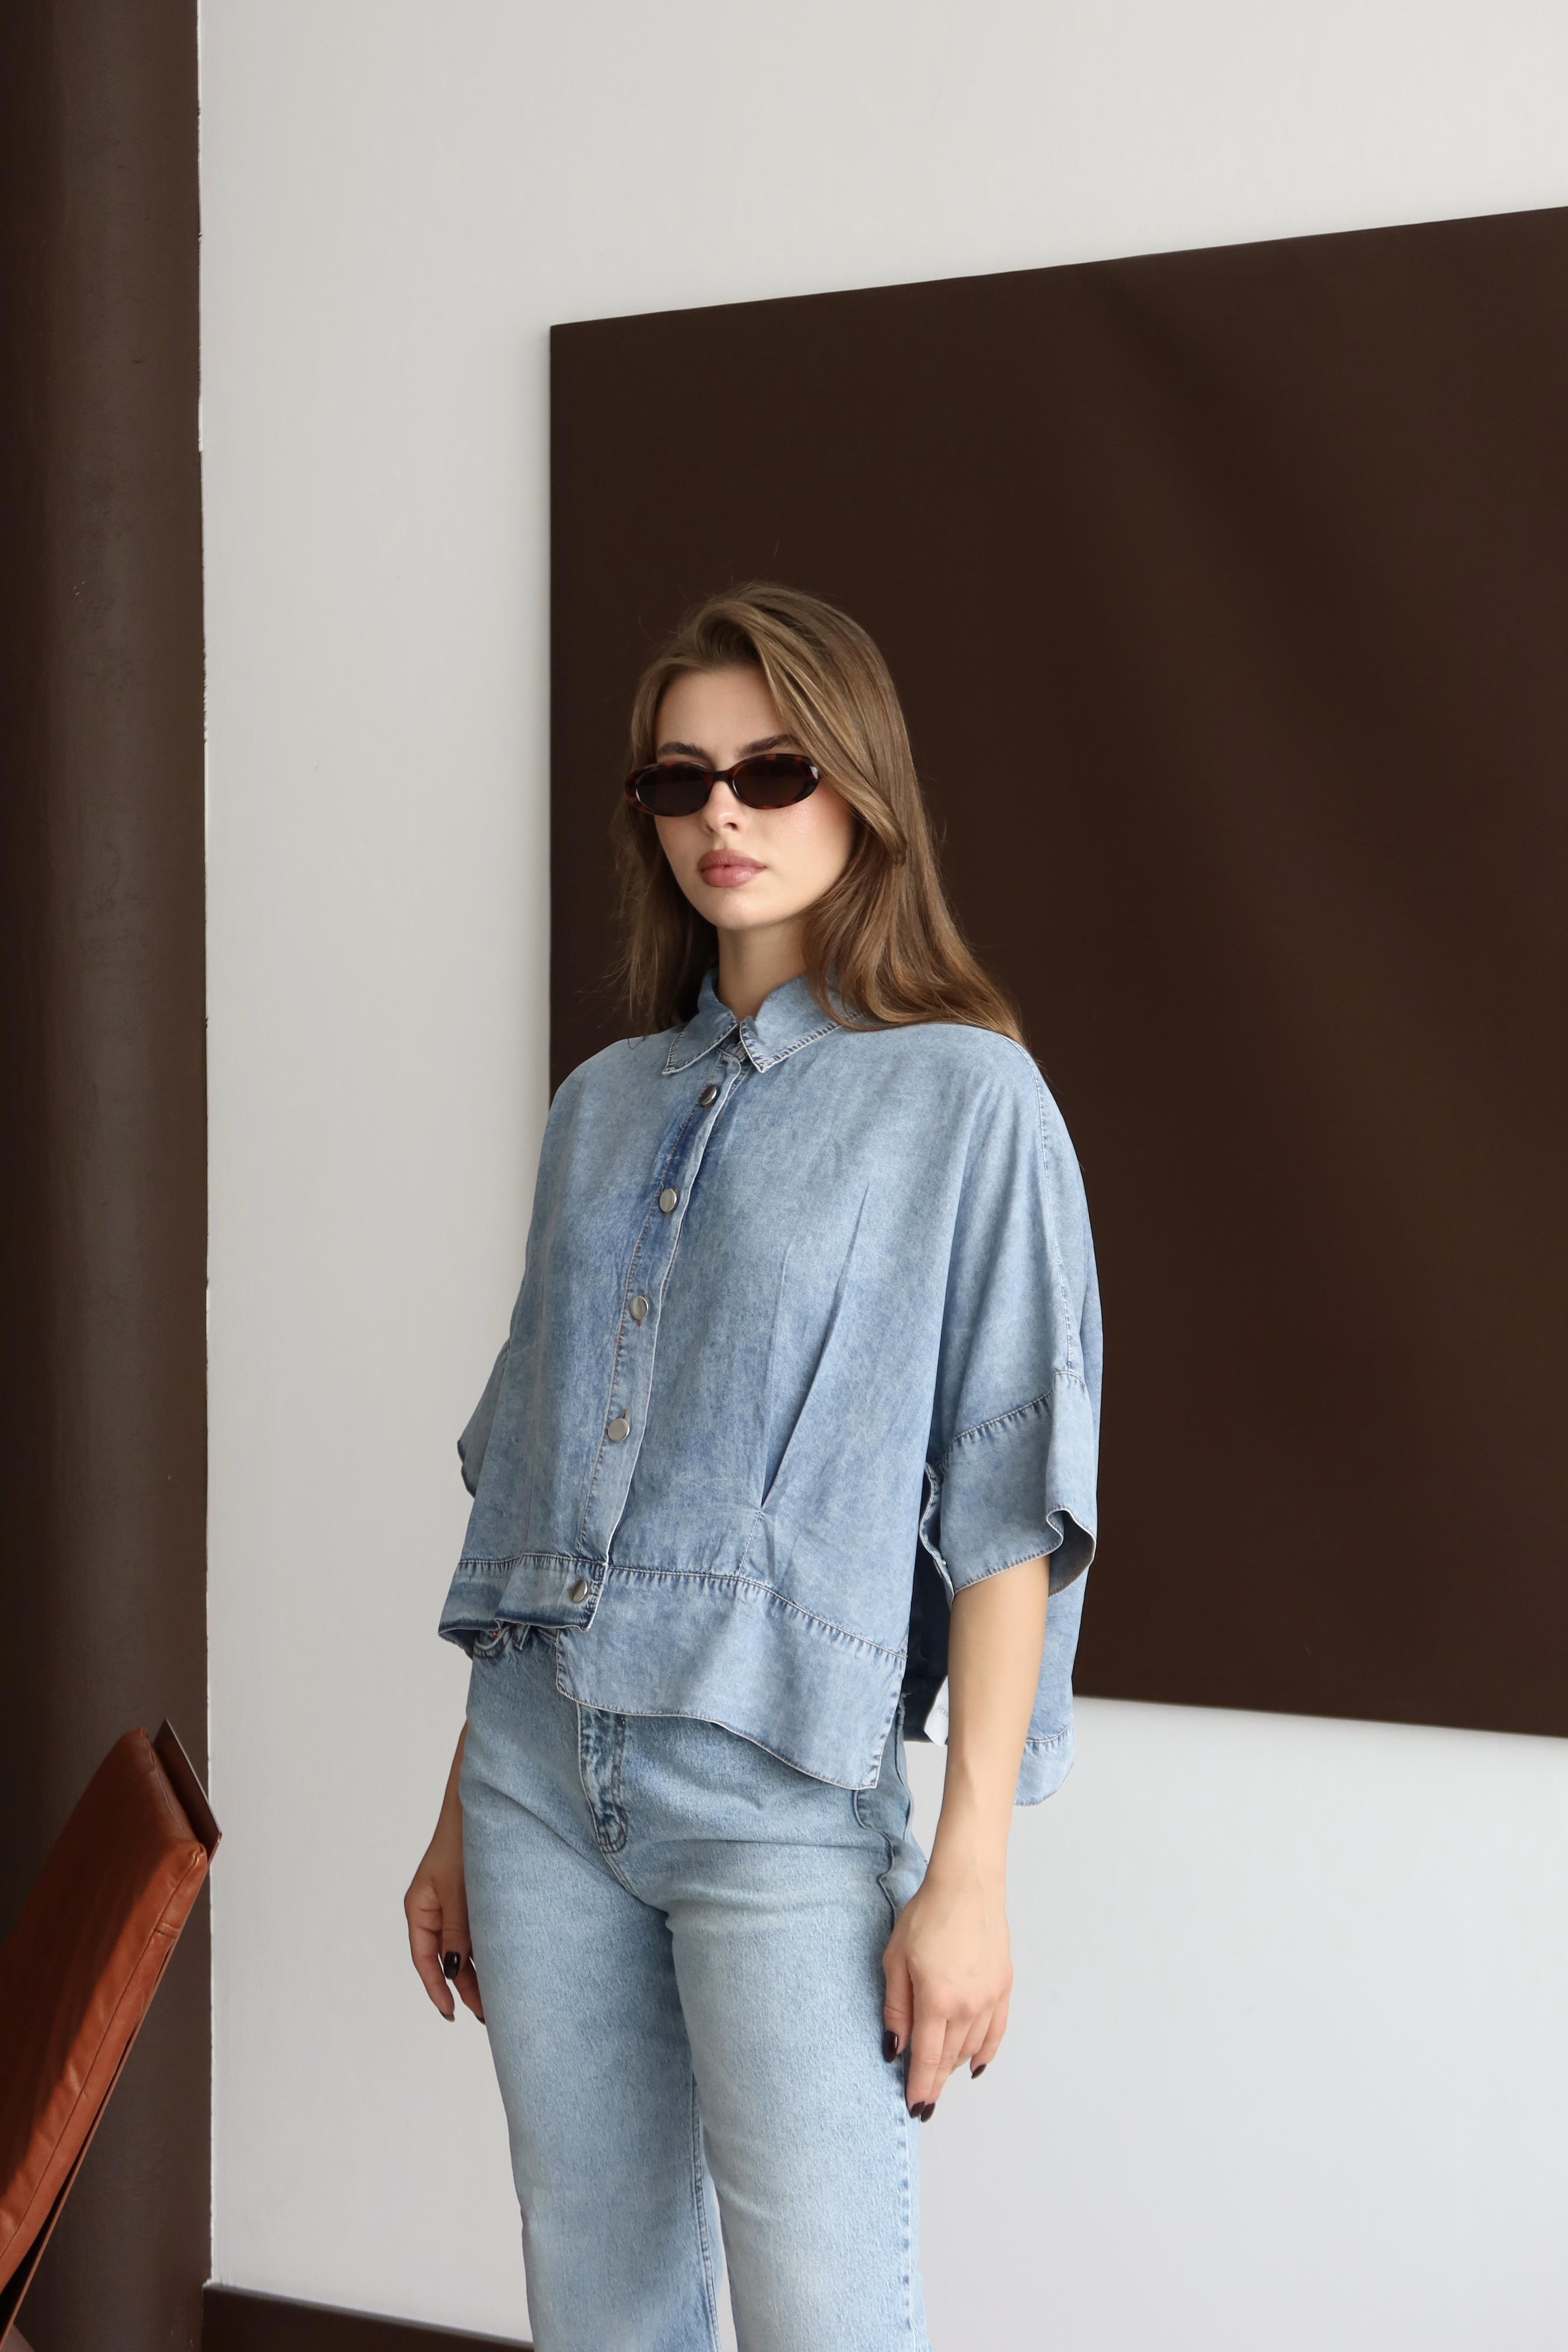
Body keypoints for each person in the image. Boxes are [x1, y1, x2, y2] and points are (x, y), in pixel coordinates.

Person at [403, 582, 1102, 2352]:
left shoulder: (967, 1100)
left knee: (826, 2322)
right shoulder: (601, 1107)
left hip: (780, 1799)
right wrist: (458, 1809)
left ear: (860, 788)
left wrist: (969, 1876)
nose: (724, 812)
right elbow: (536, 1486)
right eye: (680, 779)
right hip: (539, 1779)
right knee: (602, 2312)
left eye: (774, 771)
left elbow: (1008, 1512)